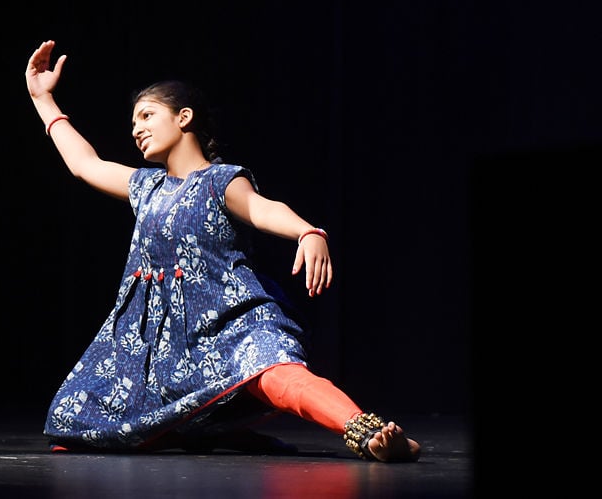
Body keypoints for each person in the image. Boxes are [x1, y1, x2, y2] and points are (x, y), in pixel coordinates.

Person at [24, 40, 420, 462]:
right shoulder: (146, 187)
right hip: (163, 345)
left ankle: (370, 432)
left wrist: (308, 232)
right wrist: (43, 98)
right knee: (73, 414)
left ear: (184, 117)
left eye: (147, 115)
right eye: (133, 120)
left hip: (228, 321)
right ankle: (201, 432)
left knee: (277, 374)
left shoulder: (221, 180)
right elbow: (85, 164)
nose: (135, 128)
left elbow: (263, 209)